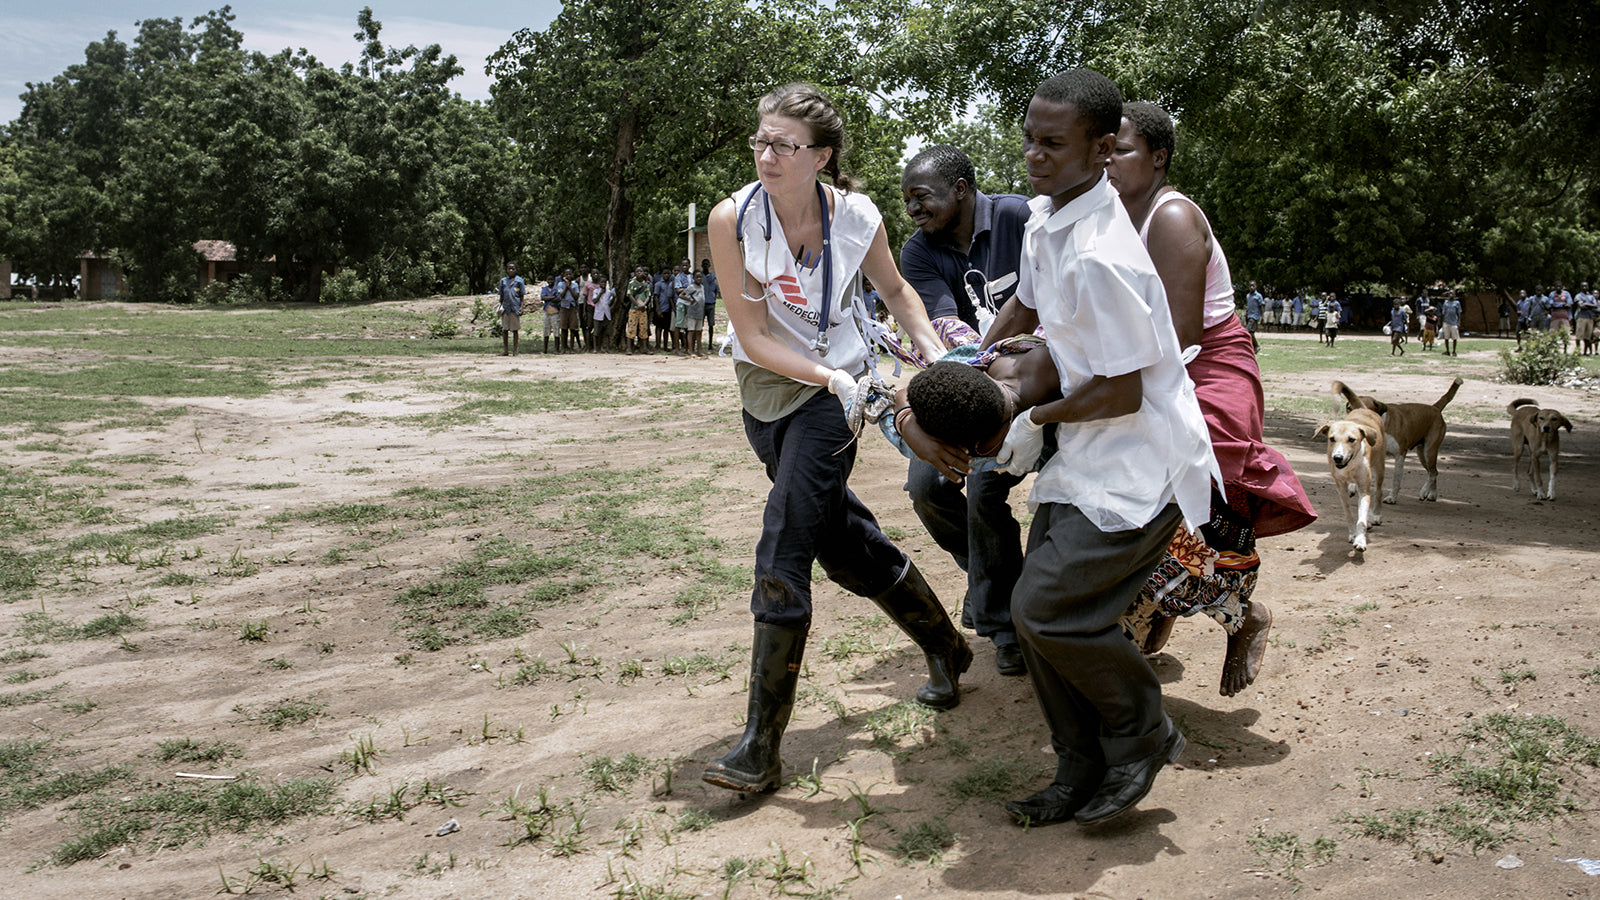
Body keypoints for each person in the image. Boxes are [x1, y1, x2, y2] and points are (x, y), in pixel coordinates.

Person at [700, 83, 968, 795]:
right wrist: (826, 375)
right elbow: (753, 338)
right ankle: (946, 646)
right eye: (760, 141)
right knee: (841, 543)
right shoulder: (733, 219)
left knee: (785, 535)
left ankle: (759, 746)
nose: (766, 155)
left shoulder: (855, 216)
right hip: (769, 389)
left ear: (820, 155)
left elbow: (898, 292)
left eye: (784, 145)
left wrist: (929, 353)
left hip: (833, 398)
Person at [979, 70, 1219, 827]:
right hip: (1087, 450)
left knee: (1047, 610)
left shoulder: (1104, 253)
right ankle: (1078, 765)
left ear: (1104, 146)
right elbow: (1042, 320)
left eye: (1054, 143)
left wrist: (1034, 415)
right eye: (1029, 139)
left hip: (1138, 462)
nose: (1034, 157)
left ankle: (1144, 734)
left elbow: (1121, 390)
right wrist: (976, 368)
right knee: (1033, 617)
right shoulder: (1053, 219)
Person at [1107, 100, 1315, 697]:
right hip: (1151, 369)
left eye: (1121, 151)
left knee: (1192, 506)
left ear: (1158, 157)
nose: (1108, 163)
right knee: (1128, 505)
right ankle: (1158, 611)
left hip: (1208, 371)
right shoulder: (1106, 216)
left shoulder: (1170, 218)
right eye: (1103, 151)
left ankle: (1240, 616)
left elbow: (1181, 337)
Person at [894, 144, 1032, 675]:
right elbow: (943, 330)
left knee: (986, 489)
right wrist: (970, 369)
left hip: (1033, 383)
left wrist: (989, 363)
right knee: (927, 487)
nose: (913, 210)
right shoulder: (919, 252)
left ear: (961, 188)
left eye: (921, 197)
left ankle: (1003, 627)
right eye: (907, 201)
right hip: (963, 379)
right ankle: (994, 589)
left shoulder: (1020, 217)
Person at [494, 262, 525, 357]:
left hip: (515, 307)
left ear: (516, 270)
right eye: (509, 269)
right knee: (505, 329)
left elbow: (522, 296)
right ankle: (505, 350)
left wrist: (522, 307)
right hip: (505, 308)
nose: (511, 270)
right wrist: (500, 306)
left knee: (515, 330)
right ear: (506, 270)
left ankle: (515, 350)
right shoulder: (503, 281)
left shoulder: (519, 281)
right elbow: (501, 295)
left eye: (513, 269)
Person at [625, 266, 652, 354]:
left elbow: (648, 296)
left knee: (643, 328)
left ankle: (644, 348)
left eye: (641, 271)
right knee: (631, 328)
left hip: (643, 310)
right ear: (635, 273)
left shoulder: (646, 284)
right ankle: (629, 348)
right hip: (633, 309)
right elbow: (629, 295)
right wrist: (637, 304)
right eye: (637, 271)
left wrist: (644, 304)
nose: (639, 273)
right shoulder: (631, 283)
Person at [683, 272, 706, 357]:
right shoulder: (691, 287)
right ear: (693, 278)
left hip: (700, 313)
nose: (699, 279)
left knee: (699, 332)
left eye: (700, 277)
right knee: (691, 331)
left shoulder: (702, 287)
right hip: (692, 312)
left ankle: (699, 350)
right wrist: (690, 300)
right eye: (697, 277)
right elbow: (682, 295)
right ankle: (690, 350)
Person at [591, 274, 615, 351]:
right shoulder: (596, 291)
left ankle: (606, 347)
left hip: (606, 314)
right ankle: (595, 348)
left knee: (607, 333)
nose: (603, 284)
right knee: (596, 332)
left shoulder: (609, 292)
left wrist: (613, 298)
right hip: (598, 314)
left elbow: (610, 301)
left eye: (605, 282)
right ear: (599, 283)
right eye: (601, 282)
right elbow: (594, 301)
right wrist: (601, 293)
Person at [701, 259, 719, 348]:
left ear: (709, 266)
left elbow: (716, 290)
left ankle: (710, 344)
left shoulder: (713, 277)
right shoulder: (699, 277)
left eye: (707, 264)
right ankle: (699, 343)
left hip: (711, 304)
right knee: (700, 325)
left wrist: (714, 300)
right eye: (704, 264)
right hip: (702, 304)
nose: (705, 266)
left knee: (711, 325)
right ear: (701, 265)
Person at [1575, 282, 1597, 355]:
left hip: (1590, 317)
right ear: (1580, 287)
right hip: (1581, 317)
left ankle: (1585, 352)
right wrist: (1590, 305)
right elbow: (1581, 306)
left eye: (1586, 286)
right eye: (1583, 286)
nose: (1584, 287)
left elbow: (1596, 305)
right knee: (1579, 336)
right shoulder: (1578, 296)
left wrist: (1586, 304)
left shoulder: (1591, 296)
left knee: (1587, 336)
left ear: (1588, 287)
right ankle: (1578, 351)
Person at [541, 275, 560, 354]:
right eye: (549, 279)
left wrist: (548, 298)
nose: (550, 281)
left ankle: (557, 349)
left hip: (555, 312)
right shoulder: (544, 288)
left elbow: (558, 298)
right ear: (546, 280)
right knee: (546, 330)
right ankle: (545, 349)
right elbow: (542, 297)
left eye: (552, 279)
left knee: (556, 331)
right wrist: (552, 297)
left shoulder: (556, 288)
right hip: (547, 312)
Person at [1440, 289, 1462, 356]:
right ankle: (1447, 351)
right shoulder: (1445, 302)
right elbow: (1443, 313)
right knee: (1446, 337)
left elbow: (1459, 313)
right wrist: (1442, 322)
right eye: (1449, 293)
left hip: (1454, 322)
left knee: (1454, 338)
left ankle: (1454, 351)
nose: (1451, 295)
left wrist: (1459, 321)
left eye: (1452, 293)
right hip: (1446, 322)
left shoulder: (1457, 303)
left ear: (1455, 295)